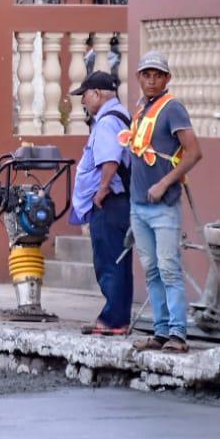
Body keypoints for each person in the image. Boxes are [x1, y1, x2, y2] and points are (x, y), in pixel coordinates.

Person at [123, 51, 203, 354]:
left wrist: (164, 183)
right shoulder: (142, 108)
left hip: (163, 204)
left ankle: (178, 334)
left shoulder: (172, 109)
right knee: (152, 270)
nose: (152, 80)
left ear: (166, 78)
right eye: (146, 74)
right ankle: (160, 330)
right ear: (139, 78)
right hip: (139, 205)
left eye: (157, 75)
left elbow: (194, 152)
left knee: (169, 269)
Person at [68, 70, 133, 336]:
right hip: (118, 202)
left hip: (110, 202)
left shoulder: (107, 122)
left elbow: (110, 160)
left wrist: (101, 191)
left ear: (96, 93)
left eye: (84, 95)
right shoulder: (119, 116)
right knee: (118, 260)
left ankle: (112, 320)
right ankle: (117, 318)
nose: (82, 101)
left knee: (109, 261)